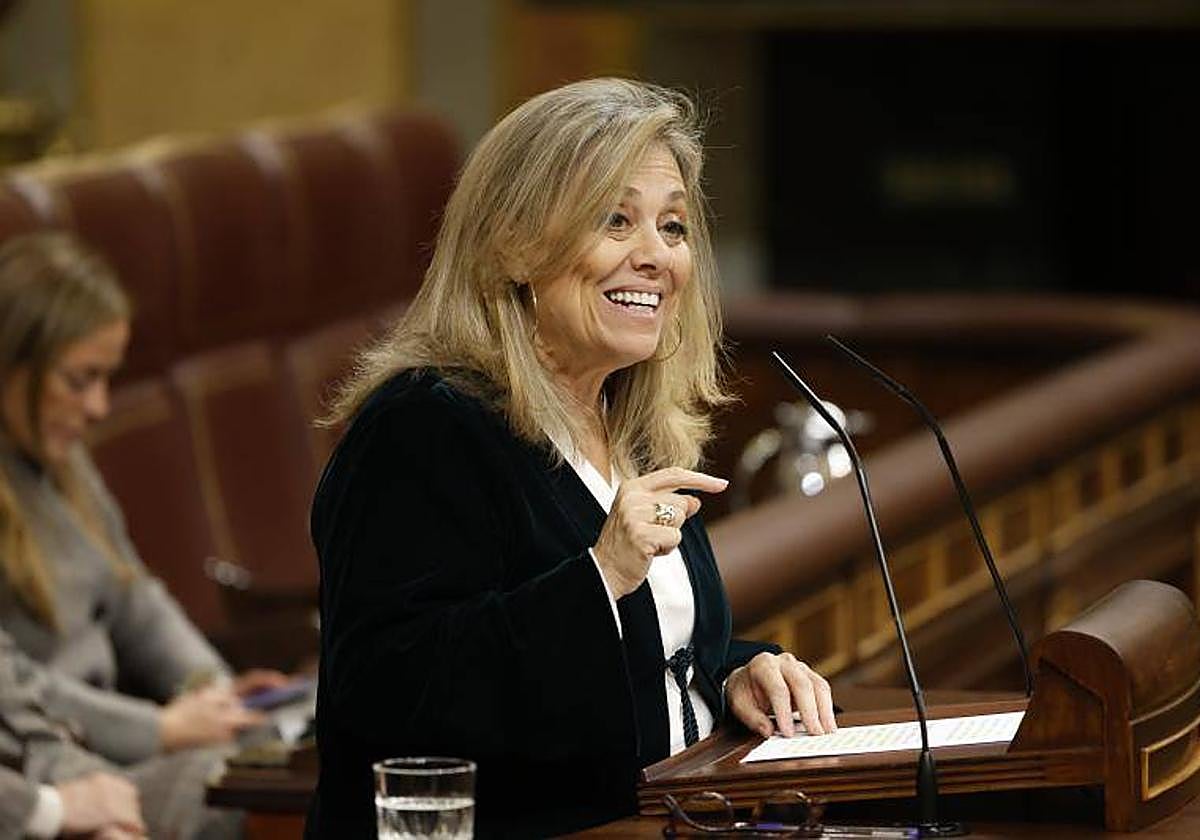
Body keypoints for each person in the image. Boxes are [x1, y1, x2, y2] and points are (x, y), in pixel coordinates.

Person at [308, 78, 838, 837]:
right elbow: (386, 701)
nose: (657, 257)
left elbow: (628, 654)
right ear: (515, 245)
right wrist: (601, 573)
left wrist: (733, 673)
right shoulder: (423, 428)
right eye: (614, 220)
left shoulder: (630, 423)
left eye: (673, 226)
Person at [0, 233, 285, 836]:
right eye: (80, 380)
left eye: (108, 379)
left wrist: (212, 689)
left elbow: (135, 598)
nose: (101, 407)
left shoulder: (63, 465)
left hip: (118, 741)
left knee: (281, 746)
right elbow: (13, 688)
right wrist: (160, 730)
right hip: (56, 758)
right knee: (239, 792)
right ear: (11, 368)